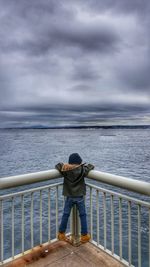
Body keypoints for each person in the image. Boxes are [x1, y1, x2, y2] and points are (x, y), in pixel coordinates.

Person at [55, 153, 94, 243]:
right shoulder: (82, 170)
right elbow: (90, 166)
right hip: (79, 196)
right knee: (83, 215)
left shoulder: (65, 170)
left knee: (65, 214)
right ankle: (84, 235)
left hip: (69, 196)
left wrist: (65, 165)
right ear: (79, 163)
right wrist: (87, 165)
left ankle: (61, 233)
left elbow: (58, 165)